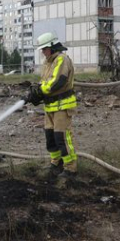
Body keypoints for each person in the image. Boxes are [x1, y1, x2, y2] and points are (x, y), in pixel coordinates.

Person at [26, 32, 78, 178]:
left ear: (52, 46)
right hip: (50, 107)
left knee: (62, 137)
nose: (43, 52)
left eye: (44, 49)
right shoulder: (47, 62)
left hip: (62, 106)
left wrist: (39, 92)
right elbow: (45, 82)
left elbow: (57, 82)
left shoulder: (62, 60)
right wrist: (36, 93)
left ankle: (70, 169)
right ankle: (56, 163)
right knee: (50, 138)